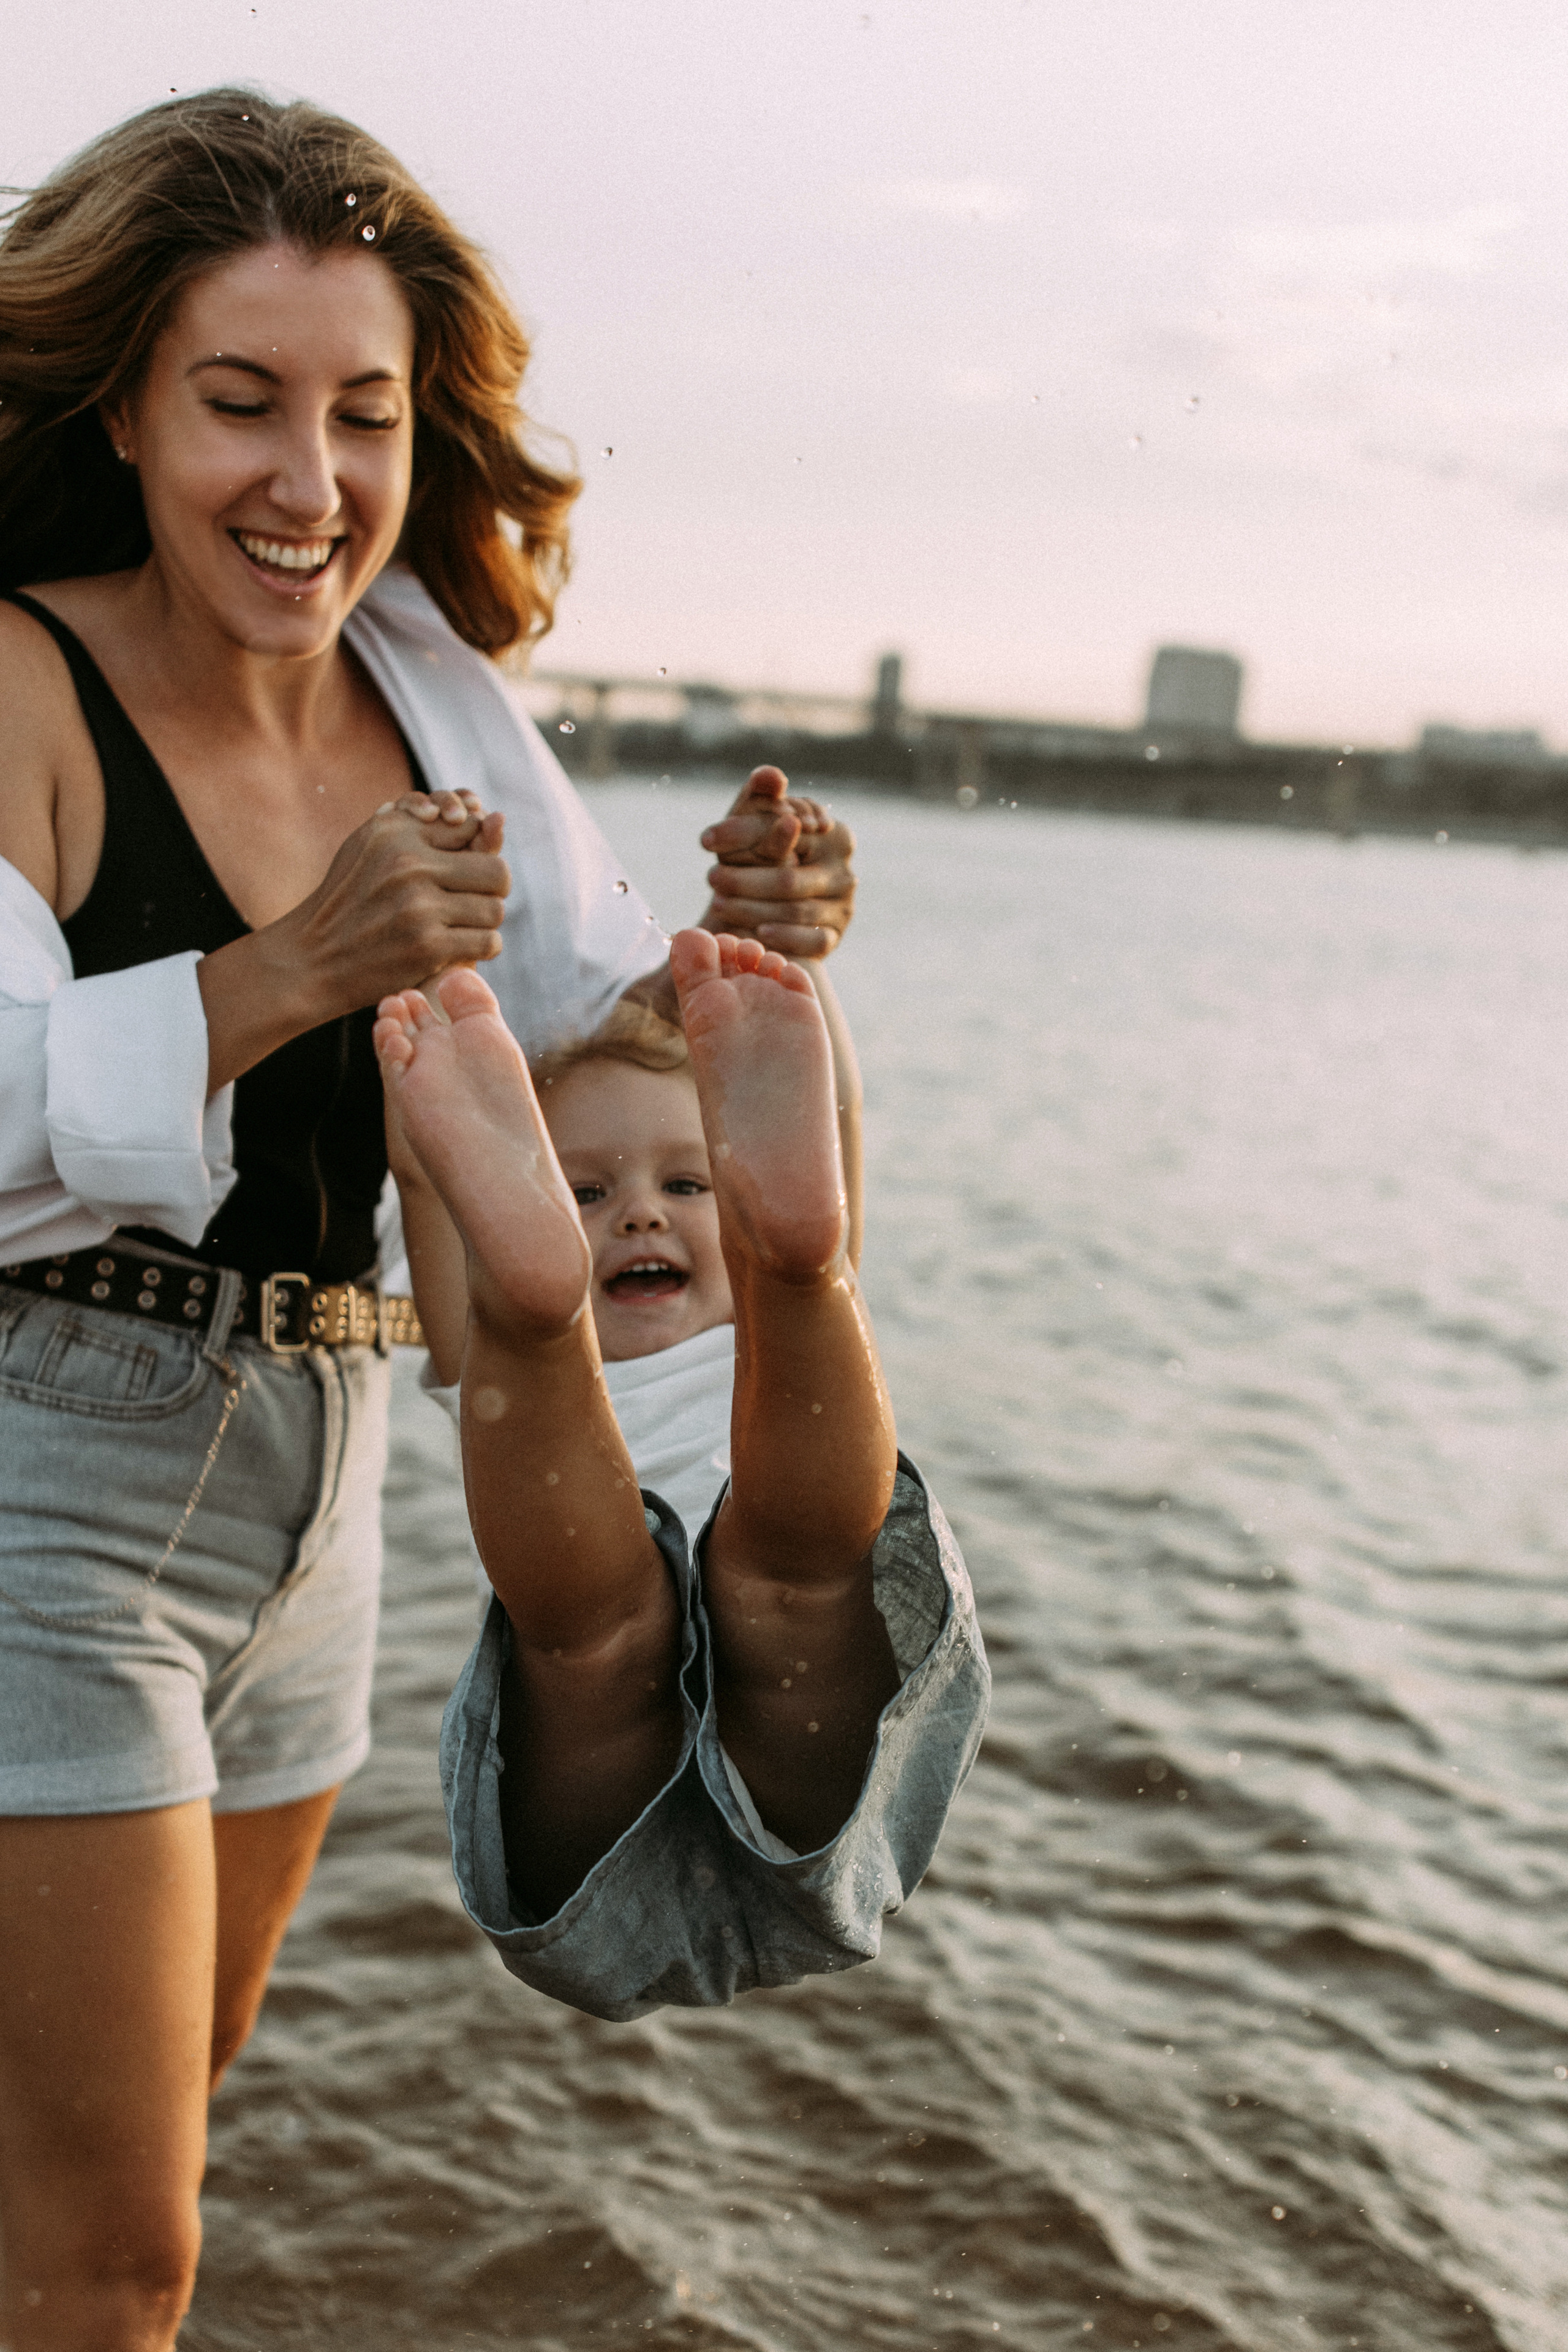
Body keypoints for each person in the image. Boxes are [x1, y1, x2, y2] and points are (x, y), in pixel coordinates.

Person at [0, 89, 858, 2352]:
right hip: (43, 1469)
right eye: (242, 404)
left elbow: (581, 1056)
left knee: (137, 2143)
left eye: (363, 415)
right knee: (110, 2264)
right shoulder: (19, 683)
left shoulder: (433, 695)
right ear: (122, 404)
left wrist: (743, 955)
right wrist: (290, 966)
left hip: (329, 1480)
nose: (312, 482)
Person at [374, 933, 989, 2018]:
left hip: (594, 1738)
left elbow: (432, 1165)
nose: (641, 1214)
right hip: (804, 1727)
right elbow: (828, 1124)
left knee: (589, 1638)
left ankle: (544, 1306)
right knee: (803, 1580)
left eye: (687, 1181)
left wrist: (426, 1027)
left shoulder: (738, 1353)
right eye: (590, 1191)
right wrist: (801, 983)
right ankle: (795, 1269)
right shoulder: (780, 1355)